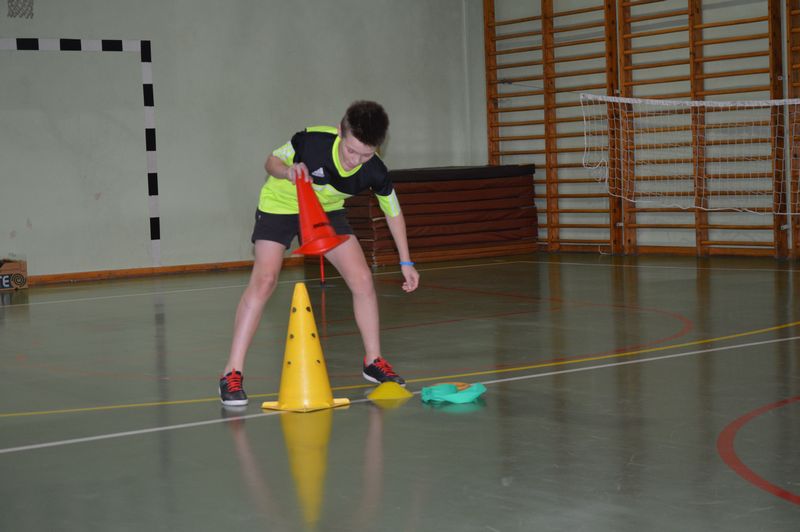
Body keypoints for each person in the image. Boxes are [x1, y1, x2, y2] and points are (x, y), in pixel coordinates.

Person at [219, 100, 420, 406]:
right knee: (265, 280)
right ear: (340, 132)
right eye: (351, 150)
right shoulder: (312, 141)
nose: (355, 160)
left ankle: (373, 360)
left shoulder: (375, 171)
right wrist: (288, 171)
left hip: (327, 212)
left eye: (365, 155)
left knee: (362, 279)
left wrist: (406, 261)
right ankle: (231, 372)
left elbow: (393, 212)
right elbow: (271, 162)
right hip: (281, 205)